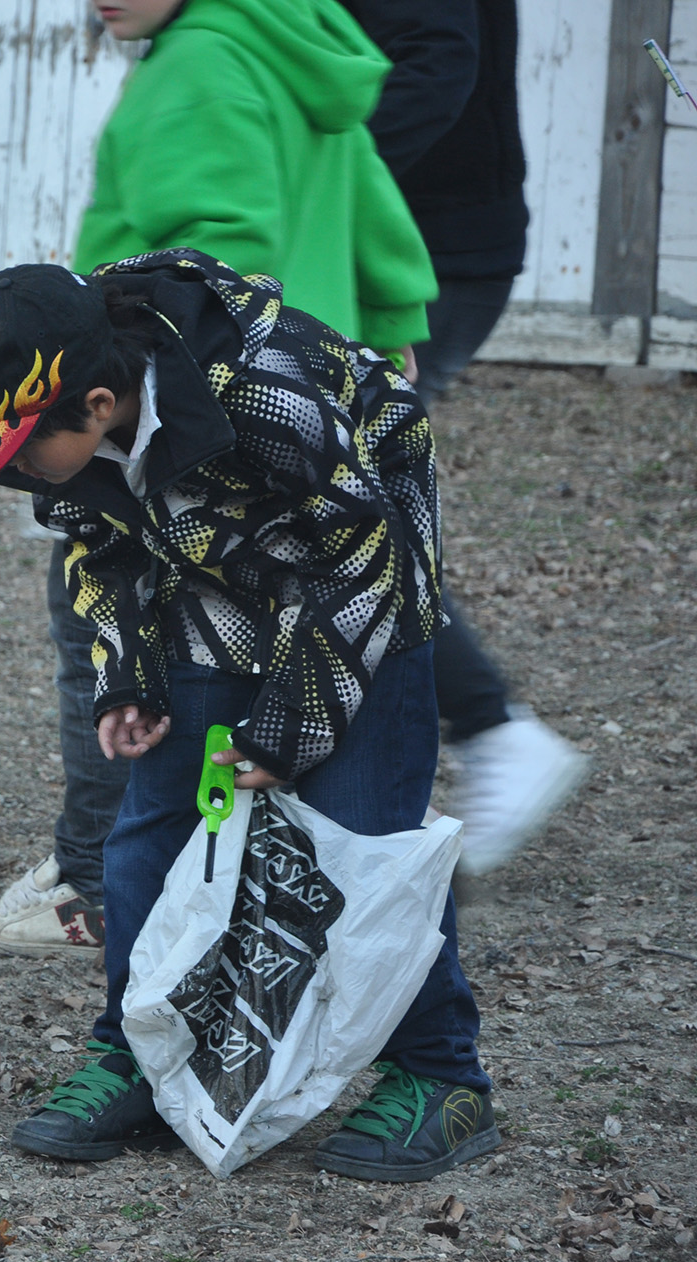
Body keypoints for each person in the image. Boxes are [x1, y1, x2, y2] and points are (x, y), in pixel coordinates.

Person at [0, 253, 496, 1181]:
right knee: (152, 821)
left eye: (17, 444)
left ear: (99, 404)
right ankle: (141, 1054)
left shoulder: (265, 397)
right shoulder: (67, 438)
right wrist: (129, 673)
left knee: (364, 840)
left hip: (363, 584)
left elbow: (360, 556)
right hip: (213, 578)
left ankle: (442, 1076)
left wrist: (287, 727)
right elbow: (98, 552)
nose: (7, 468)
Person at [340, 0, 589, 876]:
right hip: (386, 241)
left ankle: (492, 729)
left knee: (338, 512)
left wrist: (320, 165)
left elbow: (438, 66)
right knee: (334, 505)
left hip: (425, 253)